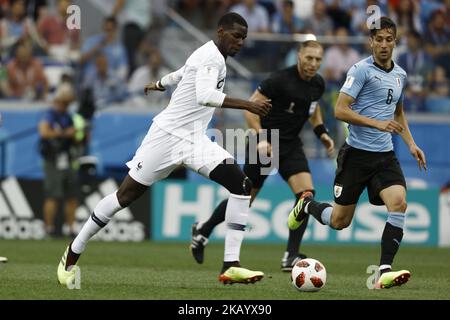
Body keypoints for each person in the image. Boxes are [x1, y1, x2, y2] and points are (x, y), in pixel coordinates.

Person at [57, 12, 272, 287]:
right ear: (221, 32)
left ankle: (231, 264)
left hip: (195, 140)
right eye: (236, 36)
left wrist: (160, 83)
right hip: (167, 137)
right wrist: (249, 105)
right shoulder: (211, 58)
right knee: (124, 196)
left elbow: (182, 73)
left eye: (244, 38)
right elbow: (204, 96)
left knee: (241, 185)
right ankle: (73, 251)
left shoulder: (208, 54)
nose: (240, 42)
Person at [287, 17, 427, 289]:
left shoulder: (400, 75)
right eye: (379, 40)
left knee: (398, 203)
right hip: (356, 156)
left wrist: (410, 143)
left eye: (389, 39)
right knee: (340, 221)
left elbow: (398, 113)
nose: (384, 45)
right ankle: (306, 205)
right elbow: (340, 110)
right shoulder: (360, 70)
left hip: (385, 156)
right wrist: (376, 123)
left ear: (395, 42)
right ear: (371, 42)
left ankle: (384, 270)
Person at [190, 40, 335, 272]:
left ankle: (291, 255)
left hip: (290, 145)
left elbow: (313, 110)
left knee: (306, 195)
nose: (313, 63)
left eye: (318, 59)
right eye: (309, 58)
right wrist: (262, 137)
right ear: (299, 56)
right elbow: (250, 108)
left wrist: (322, 133)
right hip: (266, 142)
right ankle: (204, 229)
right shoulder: (278, 80)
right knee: (244, 198)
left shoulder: (317, 84)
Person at [38, 83, 79, 237]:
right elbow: (43, 132)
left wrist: (75, 134)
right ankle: (48, 229)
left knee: (71, 195)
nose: (67, 103)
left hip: (67, 157)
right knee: (53, 194)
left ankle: (71, 228)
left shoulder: (68, 116)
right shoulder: (50, 114)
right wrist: (63, 133)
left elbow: (76, 137)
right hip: (53, 158)